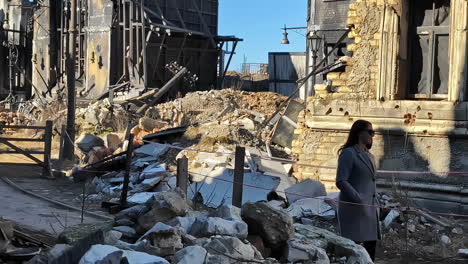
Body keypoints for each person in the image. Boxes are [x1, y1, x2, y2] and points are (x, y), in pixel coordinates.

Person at [336, 120, 380, 261]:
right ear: (359, 132)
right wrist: (358, 199)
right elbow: (341, 181)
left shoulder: (370, 156)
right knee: (354, 251)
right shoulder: (349, 153)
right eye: (370, 132)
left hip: (371, 210)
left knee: (370, 249)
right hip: (355, 210)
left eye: (373, 133)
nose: (372, 135)